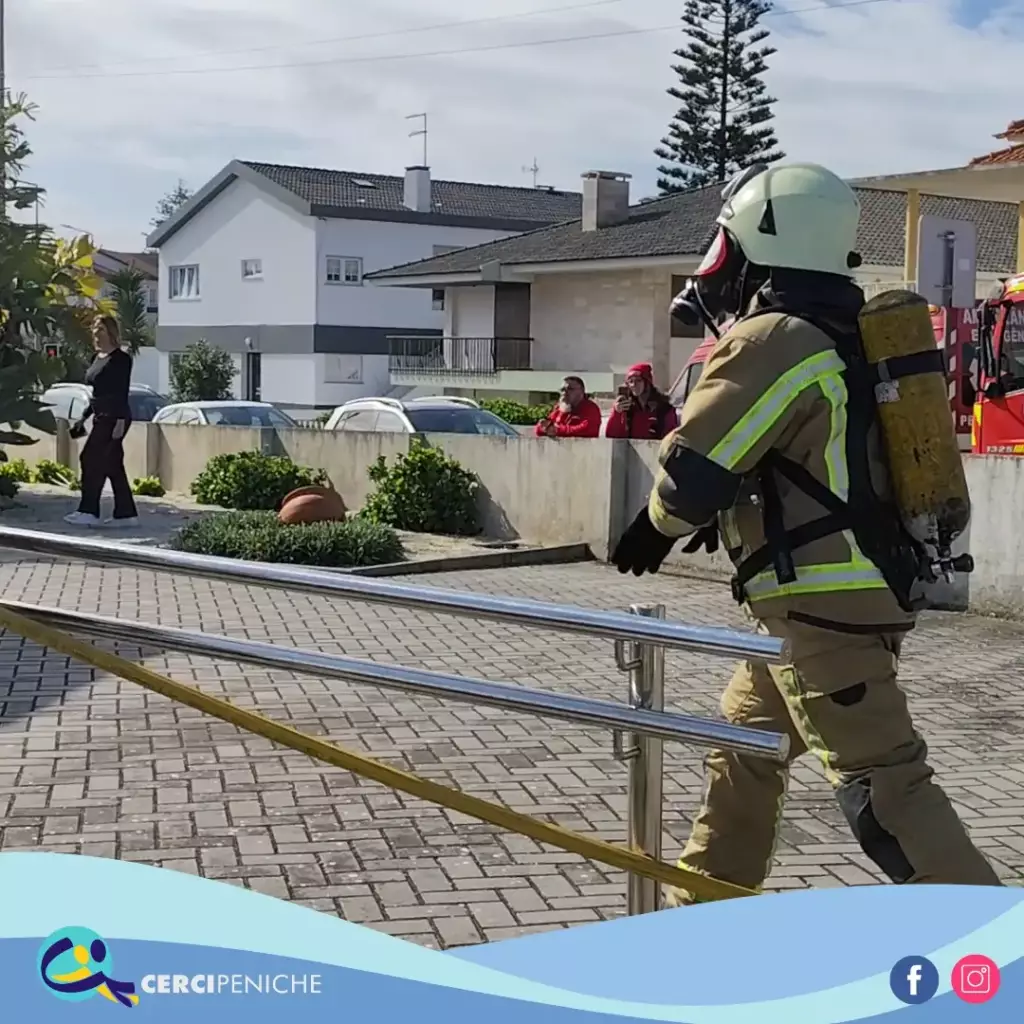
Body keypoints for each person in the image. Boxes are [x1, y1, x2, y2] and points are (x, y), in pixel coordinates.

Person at [611, 161, 1000, 906]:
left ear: (756, 241)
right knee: (744, 751)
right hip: (825, 605)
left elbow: (691, 478)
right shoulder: (846, 331)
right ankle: (704, 916)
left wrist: (649, 533)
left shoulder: (774, 338)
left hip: (821, 617)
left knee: (888, 791)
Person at [64, 316, 139, 529]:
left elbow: (120, 393)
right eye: (95, 330)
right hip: (99, 415)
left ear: (111, 332)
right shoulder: (96, 358)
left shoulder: (121, 359)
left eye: (101, 330)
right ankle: (126, 514)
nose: (96, 334)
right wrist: (82, 419)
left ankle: (89, 511)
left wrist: (120, 422)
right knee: (113, 465)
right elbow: (95, 394)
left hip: (114, 417)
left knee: (89, 458)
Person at [605, 362, 679, 439]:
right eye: (631, 381)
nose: (634, 385)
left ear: (647, 382)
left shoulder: (664, 409)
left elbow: (671, 438)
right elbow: (612, 436)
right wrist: (616, 413)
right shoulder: (627, 409)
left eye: (638, 380)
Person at [534, 375, 602, 438]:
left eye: (570, 389)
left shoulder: (590, 408)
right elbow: (540, 429)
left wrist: (558, 430)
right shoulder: (558, 408)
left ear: (581, 391)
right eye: (562, 390)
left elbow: (588, 430)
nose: (564, 393)